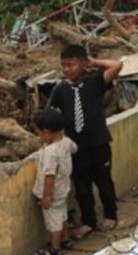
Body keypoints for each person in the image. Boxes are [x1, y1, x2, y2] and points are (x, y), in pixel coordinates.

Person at [48, 44, 123, 239]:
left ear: (83, 64)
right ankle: (88, 221)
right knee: (82, 187)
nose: (67, 69)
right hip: (75, 148)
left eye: (72, 64)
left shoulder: (95, 82)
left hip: (98, 143)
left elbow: (116, 66)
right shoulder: (60, 90)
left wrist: (94, 62)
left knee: (104, 182)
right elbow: (50, 116)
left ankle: (110, 215)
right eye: (64, 65)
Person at [31, 109, 78, 255]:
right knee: (62, 216)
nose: (39, 136)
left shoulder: (50, 152)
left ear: (47, 132)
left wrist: (46, 196)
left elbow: (49, 176)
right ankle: (65, 240)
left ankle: (54, 248)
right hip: (63, 189)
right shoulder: (66, 142)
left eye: (39, 133)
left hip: (53, 193)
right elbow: (75, 149)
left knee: (53, 223)